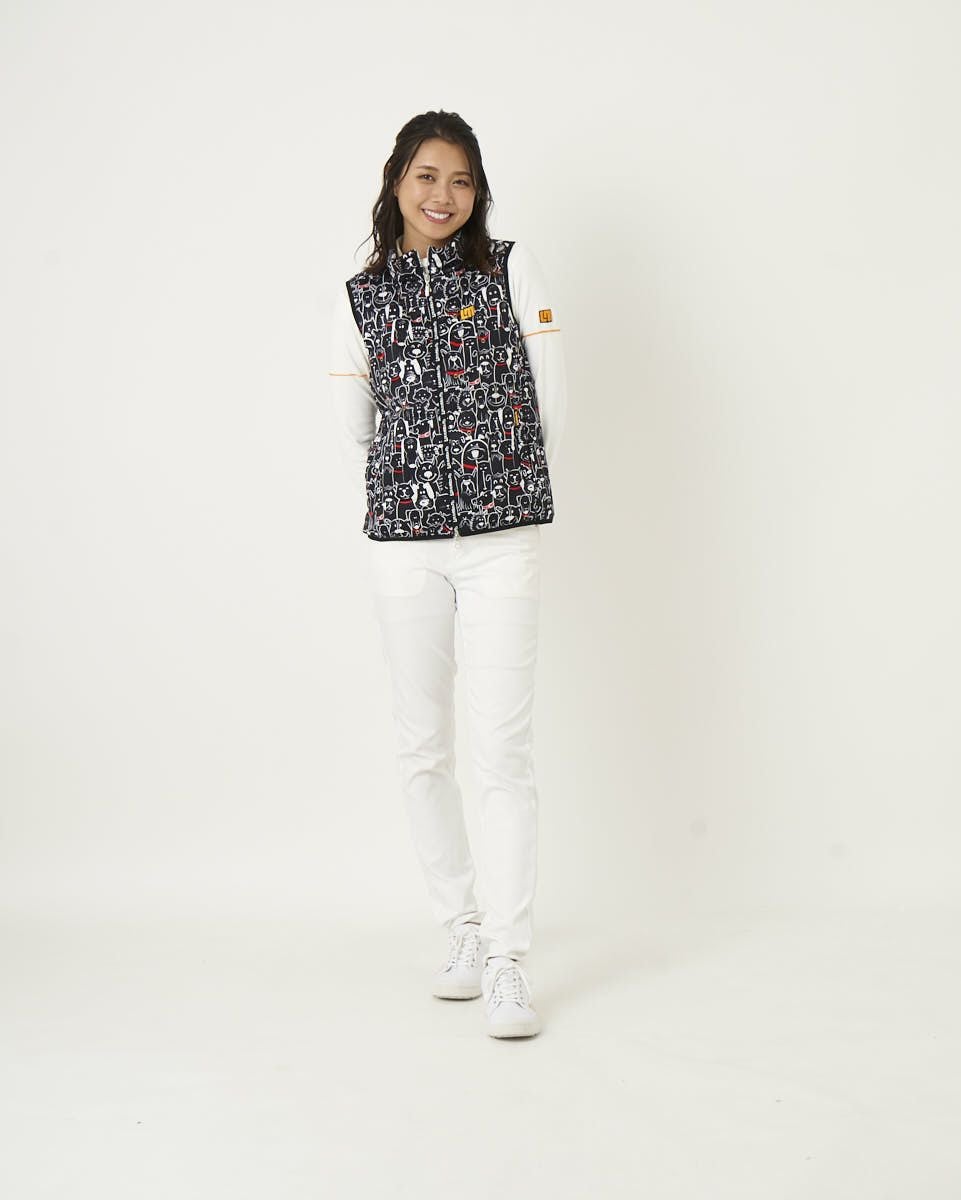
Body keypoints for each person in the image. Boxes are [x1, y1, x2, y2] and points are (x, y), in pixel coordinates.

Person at [327, 110, 567, 1039]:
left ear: (478, 193)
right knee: (422, 746)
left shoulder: (509, 268)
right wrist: (410, 496)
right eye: (427, 176)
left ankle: (508, 957)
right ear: (397, 181)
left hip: (505, 541)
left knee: (502, 749)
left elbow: (551, 397)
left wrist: (509, 490)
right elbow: (355, 430)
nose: (443, 195)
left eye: (461, 180)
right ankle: (461, 931)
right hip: (404, 546)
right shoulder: (360, 297)